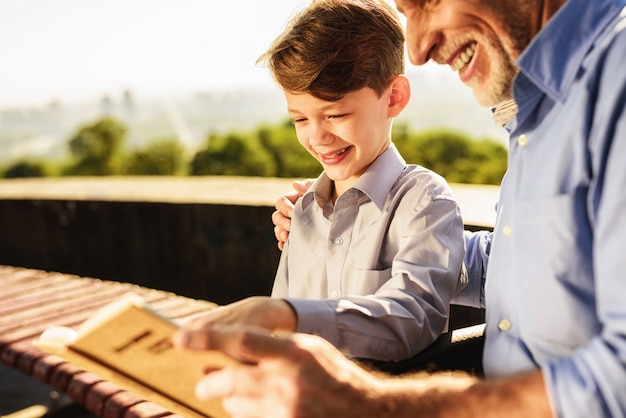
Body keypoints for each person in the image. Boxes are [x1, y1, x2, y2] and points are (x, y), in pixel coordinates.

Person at [174, 0, 626, 416]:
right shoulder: (539, 112)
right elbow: (530, 260)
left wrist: (368, 404)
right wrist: (395, 235)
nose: (418, 46)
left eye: (427, 1)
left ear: (393, 98)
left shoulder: (614, 83)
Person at [180, 0, 466, 363]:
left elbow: (413, 317)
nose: (317, 138)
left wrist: (290, 316)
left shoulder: (424, 202)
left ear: (394, 97)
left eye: (336, 114)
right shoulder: (302, 211)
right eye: (299, 120)